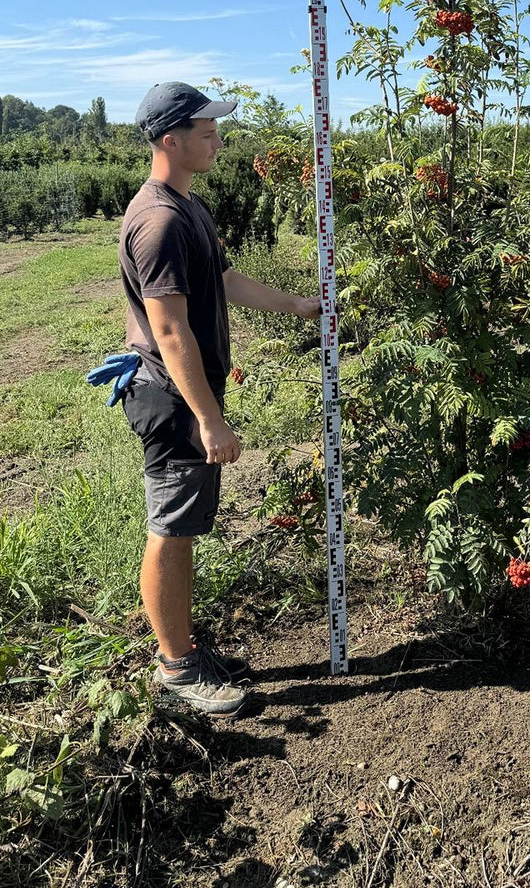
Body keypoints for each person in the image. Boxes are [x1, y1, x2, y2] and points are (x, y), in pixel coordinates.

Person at [119, 81, 320, 718]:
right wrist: (209, 417)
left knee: (182, 527)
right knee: (172, 531)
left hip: (186, 397)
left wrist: (295, 305)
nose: (219, 140)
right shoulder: (159, 223)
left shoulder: (187, 207)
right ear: (170, 139)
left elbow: (222, 278)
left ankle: (183, 649)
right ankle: (176, 669)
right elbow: (171, 329)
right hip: (175, 401)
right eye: (207, 132)